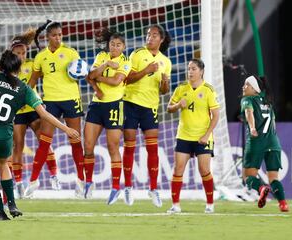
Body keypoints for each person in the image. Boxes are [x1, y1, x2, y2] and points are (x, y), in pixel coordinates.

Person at [0, 50, 79, 220]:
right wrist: (66, 129)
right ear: (18, 69)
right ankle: (11, 203)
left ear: (1, 66)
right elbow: (44, 114)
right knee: (4, 166)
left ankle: (0, 213)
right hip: (3, 134)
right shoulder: (24, 89)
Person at [25, 21, 85, 198]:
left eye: (60, 35)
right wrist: (24, 97)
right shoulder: (40, 57)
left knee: (75, 140)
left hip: (71, 100)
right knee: (44, 142)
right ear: (47, 37)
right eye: (54, 35)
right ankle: (33, 181)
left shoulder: (71, 53)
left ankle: (81, 182)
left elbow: (80, 73)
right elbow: (32, 82)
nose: (58, 38)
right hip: (50, 103)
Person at [122, 24, 171, 207]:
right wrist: (146, 71)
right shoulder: (136, 54)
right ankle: (127, 186)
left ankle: (153, 188)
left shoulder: (165, 61)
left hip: (151, 108)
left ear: (161, 39)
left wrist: (165, 83)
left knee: (152, 148)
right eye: (148, 34)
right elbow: (127, 79)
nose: (149, 37)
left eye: (154, 35)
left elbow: (164, 91)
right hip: (131, 104)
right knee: (129, 146)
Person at [9, 28, 61, 198]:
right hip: (17, 112)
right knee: (18, 146)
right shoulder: (6, 71)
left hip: (34, 109)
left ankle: (54, 175)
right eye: (18, 53)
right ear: (12, 53)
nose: (21, 56)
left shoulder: (32, 64)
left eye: (23, 52)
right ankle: (18, 182)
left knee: (44, 141)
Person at [83, 29, 131, 204]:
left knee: (112, 147)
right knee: (87, 145)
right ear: (108, 45)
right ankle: (88, 182)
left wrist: (98, 78)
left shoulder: (127, 61)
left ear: (124, 47)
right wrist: (105, 67)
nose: (115, 47)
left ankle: (115, 187)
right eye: (112, 44)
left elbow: (116, 81)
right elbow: (90, 77)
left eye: (118, 45)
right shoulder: (101, 56)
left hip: (114, 105)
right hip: (97, 104)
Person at [166, 58, 219, 214]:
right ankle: (175, 205)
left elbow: (216, 116)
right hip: (184, 135)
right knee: (178, 169)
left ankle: (210, 204)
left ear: (201, 71)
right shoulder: (181, 88)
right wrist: (177, 105)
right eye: (189, 68)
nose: (190, 71)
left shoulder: (209, 90)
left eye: (194, 69)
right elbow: (169, 108)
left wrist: (206, 135)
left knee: (204, 169)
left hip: (203, 137)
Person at [240, 75, 289, 212]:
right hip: (273, 142)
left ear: (255, 89)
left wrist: (253, 128)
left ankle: (262, 188)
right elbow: (272, 122)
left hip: (256, 141)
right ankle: (283, 203)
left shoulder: (248, 99)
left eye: (247, 85)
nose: (243, 87)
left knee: (247, 176)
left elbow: (249, 112)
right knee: (273, 177)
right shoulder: (268, 103)